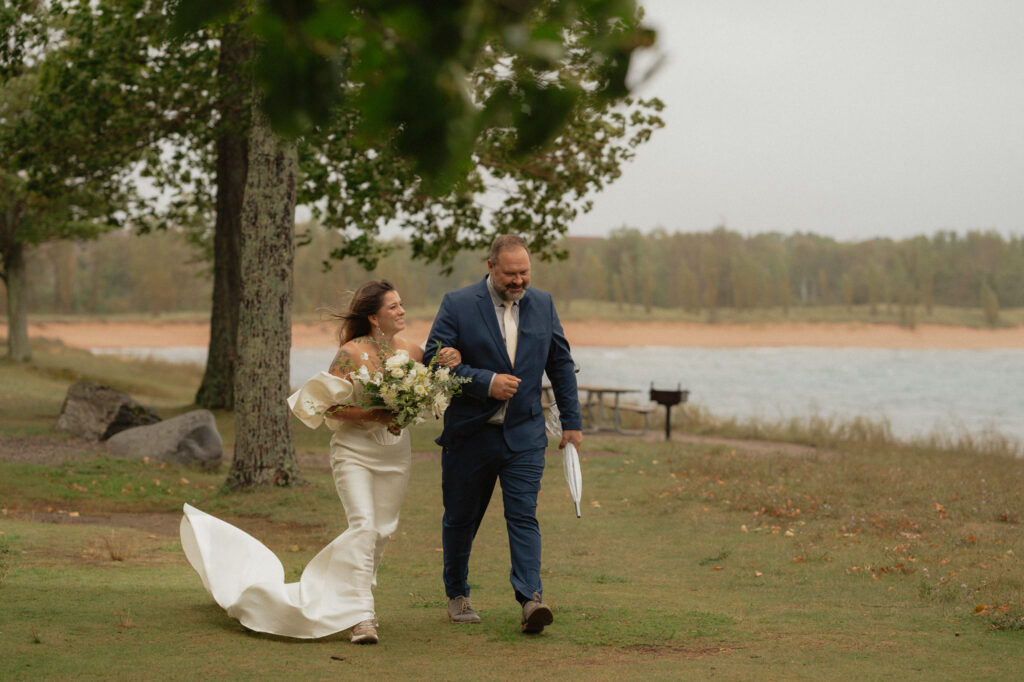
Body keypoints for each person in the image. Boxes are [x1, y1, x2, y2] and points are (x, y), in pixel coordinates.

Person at [180, 280, 461, 644]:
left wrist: (449, 361)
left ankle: (348, 594)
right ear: (374, 317)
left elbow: (431, 384)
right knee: (363, 526)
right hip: (354, 452)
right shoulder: (350, 353)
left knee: (382, 531)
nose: (402, 311)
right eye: (393, 307)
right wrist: (374, 414)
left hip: (394, 453)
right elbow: (329, 406)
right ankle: (363, 616)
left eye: (401, 304)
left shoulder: (412, 350)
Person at [424, 234, 583, 634]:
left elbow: (561, 364)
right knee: (461, 518)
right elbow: (432, 361)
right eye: (511, 273)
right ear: (491, 266)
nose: (519, 281)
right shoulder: (458, 304)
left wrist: (572, 423)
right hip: (470, 435)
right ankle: (458, 595)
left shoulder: (543, 304)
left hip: (525, 435)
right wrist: (485, 381)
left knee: (523, 516)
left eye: (525, 272)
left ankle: (531, 599)